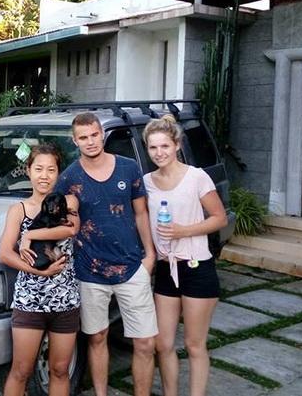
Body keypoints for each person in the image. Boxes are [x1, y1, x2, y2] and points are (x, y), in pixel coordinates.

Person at [51, 112, 157, 396]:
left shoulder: (129, 168)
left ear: (102, 134)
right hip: (89, 272)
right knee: (97, 337)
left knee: (146, 342)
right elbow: (62, 224)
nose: (90, 141)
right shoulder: (68, 179)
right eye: (83, 137)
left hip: (132, 266)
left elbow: (141, 213)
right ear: (75, 141)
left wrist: (149, 257)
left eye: (94, 135)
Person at [142, 115, 228, 396]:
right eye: (153, 148)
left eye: (164, 146)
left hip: (197, 268)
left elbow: (219, 218)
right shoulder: (146, 182)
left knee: (194, 344)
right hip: (167, 271)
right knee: (163, 344)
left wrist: (183, 231)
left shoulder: (196, 177)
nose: (159, 153)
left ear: (177, 144)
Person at [0, 144, 81, 396]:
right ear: (28, 171)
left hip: (65, 300)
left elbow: (70, 229)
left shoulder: (68, 201)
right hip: (29, 301)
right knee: (21, 371)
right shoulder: (18, 210)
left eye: (51, 169)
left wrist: (30, 234)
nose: (44, 175)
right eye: (38, 169)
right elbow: (4, 253)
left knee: (59, 369)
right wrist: (39, 273)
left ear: (59, 173)